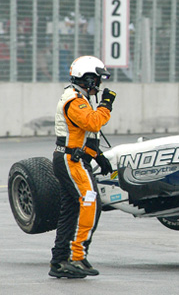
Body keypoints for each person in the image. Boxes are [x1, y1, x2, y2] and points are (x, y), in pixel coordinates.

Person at [49, 56, 117, 278]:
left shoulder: (79, 97)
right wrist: (107, 104)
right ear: (87, 78)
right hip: (70, 161)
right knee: (89, 200)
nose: (99, 84)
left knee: (71, 210)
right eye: (96, 79)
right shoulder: (74, 100)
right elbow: (93, 122)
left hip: (73, 159)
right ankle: (76, 257)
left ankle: (60, 261)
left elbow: (82, 135)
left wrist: (97, 155)